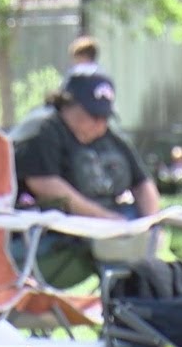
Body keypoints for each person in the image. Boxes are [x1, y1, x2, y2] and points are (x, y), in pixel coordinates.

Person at [11, 72, 161, 288]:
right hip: (50, 237)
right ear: (68, 105)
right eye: (93, 115)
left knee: (137, 226)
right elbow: (43, 184)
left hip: (104, 229)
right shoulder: (43, 129)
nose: (100, 124)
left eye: (105, 117)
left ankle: (133, 310)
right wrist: (105, 219)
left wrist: (151, 225)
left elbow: (143, 183)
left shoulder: (111, 135)